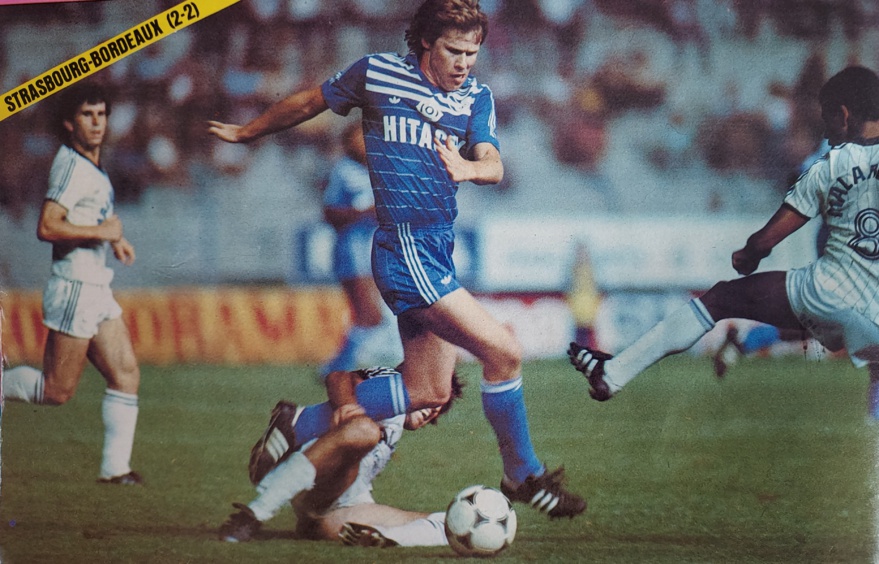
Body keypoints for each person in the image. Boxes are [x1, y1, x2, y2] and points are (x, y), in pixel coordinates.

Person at [208, 0, 585, 518]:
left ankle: (299, 423)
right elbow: (311, 101)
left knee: (427, 390)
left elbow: (493, 163)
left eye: (472, 53)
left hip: (438, 252)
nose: (463, 63)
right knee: (504, 351)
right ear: (426, 41)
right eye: (453, 51)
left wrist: (469, 169)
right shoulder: (378, 74)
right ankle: (522, 474)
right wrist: (249, 132)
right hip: (403, 250)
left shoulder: (476, 97)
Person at [569, 66, 879, 416]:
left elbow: (774, 229)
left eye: (831, 116)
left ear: (845, 113)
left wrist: (750, 252)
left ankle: (613, 373)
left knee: (722, 299)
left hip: (835, 287)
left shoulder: (834, 159)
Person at [1, 82, 143, 485]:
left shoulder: (92, 164)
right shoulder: (71, 166)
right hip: (75, 288)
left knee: (126, 374)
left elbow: (91, 217)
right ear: (69, 122)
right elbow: (47, 226)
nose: (96, 123)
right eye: (87, 115)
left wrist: (114, 239)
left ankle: (115, 471)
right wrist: (101, 233)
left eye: (101, 114)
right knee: (56, 391)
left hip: (95, 286)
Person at [219, 366, 461, 547]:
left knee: (451, 525)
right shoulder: (394, 383)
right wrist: (346, 406)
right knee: (365, 431)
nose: (434, 411)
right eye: (435, 400)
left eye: (440, 407)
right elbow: (338, 377)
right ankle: (253, 514)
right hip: (320, 477)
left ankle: (386, 537)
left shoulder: (396, 419)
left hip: (341, 504)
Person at [320, 122, 402, 377]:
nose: (364, 144)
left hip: (376, 249)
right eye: (358, 139)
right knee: (369, 315)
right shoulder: (343, 171)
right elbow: (329, 212)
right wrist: (364, 212)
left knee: (372, 316)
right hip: (352, 249)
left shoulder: (381, 170)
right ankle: (335, 369)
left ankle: (338, 368)